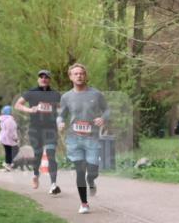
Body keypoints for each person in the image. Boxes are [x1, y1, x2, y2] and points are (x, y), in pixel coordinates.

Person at [57, 64, 110, 214]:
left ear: (85, 76)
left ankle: (91, 180)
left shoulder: (96, 94)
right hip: (74, 138)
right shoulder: (66, 97)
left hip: (92, 138)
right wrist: (60, 122)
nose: (79, 76)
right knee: (80, 170)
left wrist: (103, 118)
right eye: (75, 74)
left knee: (92, 170)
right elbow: (61, 115)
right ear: (70, 77)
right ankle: (84, 203)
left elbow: (107, 109)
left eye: (81, 73)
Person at [14, 69, 62, 194]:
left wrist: (61, 120)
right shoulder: (31, 93)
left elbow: (62, 109)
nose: (44, 79)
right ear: (38, 79)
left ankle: (53, 184)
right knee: (38, 156)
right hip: (35, 129)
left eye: (46, 77)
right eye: (41, 77)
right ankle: (35, 175)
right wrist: (30, 110)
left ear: (49, 79)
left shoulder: (55, 94)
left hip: (51, 129)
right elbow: (17, 105)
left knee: (51, 155)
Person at [0, 106, 18, 172]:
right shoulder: (10, 120)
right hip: (9, 138)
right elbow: (11, 131)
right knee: (10, 152)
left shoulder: (3, 119)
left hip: (4, 138)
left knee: (8, 152)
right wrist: (15, 138)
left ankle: (8, 165)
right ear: (9, 112)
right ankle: (9, 165)